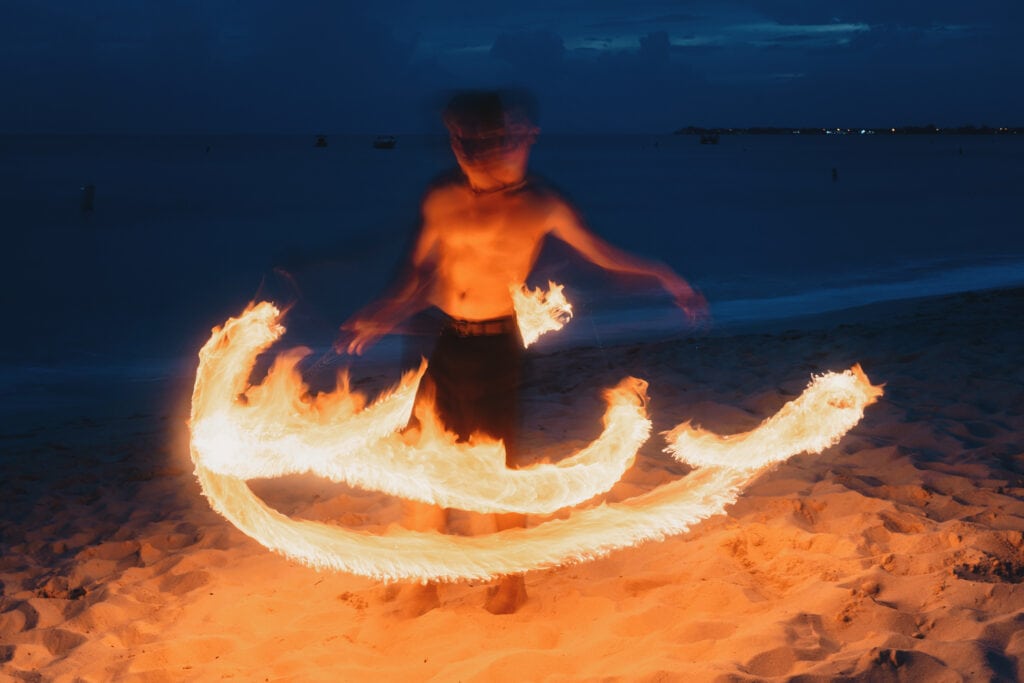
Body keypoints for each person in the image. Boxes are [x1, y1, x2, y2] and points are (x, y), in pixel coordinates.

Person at [338, 90, 706, 615]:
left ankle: (511, 578)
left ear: (515, 139)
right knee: (422, 458)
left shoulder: (541, 204)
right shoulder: (442, 195)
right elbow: (420, 273)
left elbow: (601, 251)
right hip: (435, 338)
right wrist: (384, 311)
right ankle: (424, 577)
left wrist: (665, 275)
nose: (466, 149)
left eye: (479, 139)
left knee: (497, 464)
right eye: (458, 139)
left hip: (494, 346)